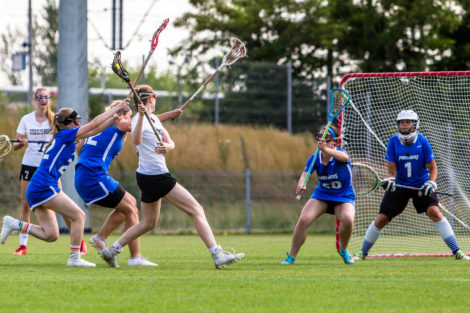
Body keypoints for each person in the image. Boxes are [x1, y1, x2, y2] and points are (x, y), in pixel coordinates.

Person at [99, 84, 245, 269]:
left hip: (147, 176)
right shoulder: (138, 119)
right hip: (156, 175)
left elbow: (170, 142)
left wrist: (168, 147)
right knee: (196, 209)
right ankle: (217, 254)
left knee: (148, 222)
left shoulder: (153, 119)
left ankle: (112, 250)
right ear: (151, 98)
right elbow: (136, 140)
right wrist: (142, 115)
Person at [1, 99, 129, 267]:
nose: (79, 124)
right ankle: (74, 258)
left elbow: (96, 128)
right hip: (43, 185)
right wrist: (117, 109)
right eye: (77, 121)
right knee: (79, 216)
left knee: (51, 234)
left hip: (39, 186)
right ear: (68, 124)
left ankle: (14, 224)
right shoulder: (65, 134)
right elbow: (94, 125)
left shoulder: (66, 135)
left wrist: (112, 119)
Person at [75, 100, 182, 267]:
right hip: (93, 176)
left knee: (127, 206)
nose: (131, 118)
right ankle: (134, 257)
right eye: (130, 116)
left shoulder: (101, 123)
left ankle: (101, 238)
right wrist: (169, 115)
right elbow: (145, 123)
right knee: (131, 208)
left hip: (84, 175)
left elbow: (80, 148)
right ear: (123, 115)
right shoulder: (119, 124)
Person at [355, 109, 469, 260]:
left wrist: (431, 183)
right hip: (400, 186)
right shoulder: (393, 142)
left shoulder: (422, 141)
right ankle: (363, 252)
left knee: (435, 212)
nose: (404, 125)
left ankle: (457, 252)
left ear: (415, 124)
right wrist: (390, 181)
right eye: (401, 122)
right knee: (382, 218)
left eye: (408, 122)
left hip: (421, 185)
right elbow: (391, 172)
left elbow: (433, 167)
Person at [12, 87, 87, 256]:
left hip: (47, 167)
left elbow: (67, 140)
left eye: (46, 97)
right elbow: (16, 145)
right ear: (35, 99)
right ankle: (23, 246)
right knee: (26, 205)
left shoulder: (55, 119)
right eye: (40, 97)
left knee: (63, 206)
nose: (43, 100)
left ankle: (79, 241)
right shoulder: (26, 119)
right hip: (30, 164)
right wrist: (20, 142)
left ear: (49, 100)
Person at [282, 125, 355, 265]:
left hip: (343, 197)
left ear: (334, 142)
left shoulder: (340, 154)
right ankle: (291, 256)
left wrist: (326, 149)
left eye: (327, 138)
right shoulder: (315, 157)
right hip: (322, 196)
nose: (322, 140)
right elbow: (305, 174)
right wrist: (301, 184)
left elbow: (345, 157)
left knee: (348, 219)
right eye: (320, 137)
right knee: (303, 219)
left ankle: (344, 250)